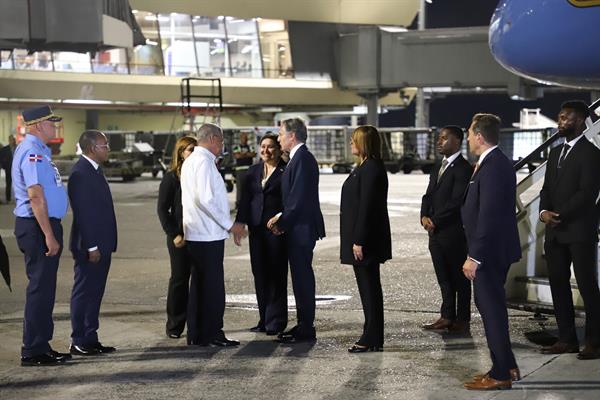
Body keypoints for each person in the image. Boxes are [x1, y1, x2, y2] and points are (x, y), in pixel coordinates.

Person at [461, 113, 521, 390]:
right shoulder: (492, 163)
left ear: (480, 137)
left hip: (489, 252)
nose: (469, 139)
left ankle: (500, 375)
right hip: (493, 250)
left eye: (471, 134)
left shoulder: (494, 165)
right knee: (491, 309)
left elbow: (489, 216)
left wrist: (475, 256)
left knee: (492, 311)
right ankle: (506, 364)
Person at [539, 100, 600, 360]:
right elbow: (546, 190)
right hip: (554, 232)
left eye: (565, 118)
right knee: (558, 285)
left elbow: (588, 193)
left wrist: (559, 214)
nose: (560, 121)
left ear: (578, 120)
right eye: (560, 116)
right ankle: (566, 339)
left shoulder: (592, 153)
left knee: (587, 287)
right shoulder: (554, 153)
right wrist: (543, 212)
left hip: (579, 231)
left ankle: (595, 343)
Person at [12, 105, 71, 366]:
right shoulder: (32, 152)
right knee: (39, 289)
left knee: (45, 289)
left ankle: (41, 345)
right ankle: (33, 349)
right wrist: (49, 234)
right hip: (37, 227)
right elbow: (35, 195)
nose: (54, 126)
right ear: (37, 125)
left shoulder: (41, 151)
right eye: (51, 122)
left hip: (42, 225)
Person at [181, 123, 247, 347]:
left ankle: (197, 334)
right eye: (220, 140)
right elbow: (206, 199)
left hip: (197, 233)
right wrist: (230, 224)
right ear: (211, 138)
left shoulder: (192, 161)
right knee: (212, 287)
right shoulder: (204, 163)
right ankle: (212, 333)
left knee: (199, 286)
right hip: (207, 234)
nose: (222, 145)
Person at [267, 118, 325, 344]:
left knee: (302, 278)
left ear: (292, 136)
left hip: (301, 229)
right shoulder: (298, 159)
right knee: (300, 277)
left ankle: (306, 327)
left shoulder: (302, 159)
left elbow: (298, 200)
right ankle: (303, 324)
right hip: (298, 226)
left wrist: (282, 221)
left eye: (281, 134)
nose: (278, 138)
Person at [340, 126, 391, 353]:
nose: (351, 143)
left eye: (354, 140)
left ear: (364, 143)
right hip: (364, 239)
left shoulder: (370, 169)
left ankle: (371, 337)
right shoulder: (365, 167)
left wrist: (359, 240)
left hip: (366, 241)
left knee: (370, 289)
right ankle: (372, 336)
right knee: (368, 289)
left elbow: (368, 207)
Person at [67, 130, 118, 356]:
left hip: (102, 244)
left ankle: (90, 336)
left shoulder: (95, 170)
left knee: (95, 292)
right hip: (90, 246)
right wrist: (92, 246)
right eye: (104, 145)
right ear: (91, 149)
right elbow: (83, 214)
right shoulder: (80, 173)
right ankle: (79, 339)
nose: (108, 148)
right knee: (84, 292)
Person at [420, 126, 472, 334]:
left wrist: (435, 220)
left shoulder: (463, 168)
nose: (439, 142)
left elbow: (457, 201)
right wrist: (423, 216)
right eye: (439, 138)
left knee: (459, 278)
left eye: (444, 138)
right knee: (443, 277)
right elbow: (428, 195)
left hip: (453, 232)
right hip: (435, 232)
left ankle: (463, 318)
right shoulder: (438, 166)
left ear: (457, 141)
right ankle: (446, 315)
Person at [236, 134, 288, 335]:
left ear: (279, 149)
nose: (266, 150)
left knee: (276, 273)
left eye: (271, 147)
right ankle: (264, 318)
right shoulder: (253, 171)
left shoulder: (286, 171)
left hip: (276, 230)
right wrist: (240, 223)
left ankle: (276, 321)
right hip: (256, 229)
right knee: (259, 273)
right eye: (263, 147)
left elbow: (289, 201)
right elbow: (245, 200)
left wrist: (282, 219)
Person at [157, 136, 197, 339]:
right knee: (180, 280)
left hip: (200, 236)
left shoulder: (200, 174)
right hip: (180, 238)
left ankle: (197, 324)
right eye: (191, 149)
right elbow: (163, 210)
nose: (194, 152)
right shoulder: (172, 177)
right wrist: (174, 234)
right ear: (181, 153)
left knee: (199, 281)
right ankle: (174, 326)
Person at [233, 132, 256, 209]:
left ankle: (249, 203)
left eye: (245, 138)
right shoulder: (237, 147)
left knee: (250, 188)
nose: (244, 139)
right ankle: (239, 205)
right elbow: (237, 156)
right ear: (240, 139)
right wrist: (247, 154)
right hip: (240, 170)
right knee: (240, 188)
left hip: (249, 170)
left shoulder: (250, 147)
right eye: (243, 138)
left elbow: (253, 154)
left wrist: (243, 154)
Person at [0, 134, 15, 203]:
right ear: (9, 140)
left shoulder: (18, 148)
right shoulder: (4, 149)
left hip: (17, 170)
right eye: (11, 139)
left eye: (13, 139)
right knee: (8, 184)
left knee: (19, 184)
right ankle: (8, 199)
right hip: (8, 169)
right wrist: (4, 167)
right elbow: (1, 159)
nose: (12, 141)